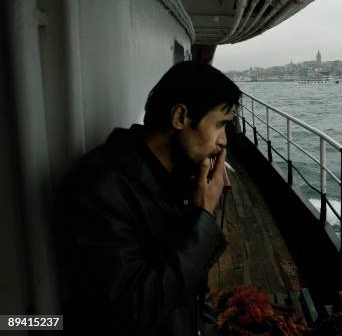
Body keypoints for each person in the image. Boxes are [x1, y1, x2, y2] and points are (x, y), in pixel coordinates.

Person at [57, 61, 241, 335]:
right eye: (220, 125)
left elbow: (193, 293)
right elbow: (132, 310)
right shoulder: (97, 187)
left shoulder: (176, 175)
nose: (224, 140)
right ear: (180, 117)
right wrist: (202, 218)